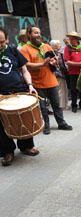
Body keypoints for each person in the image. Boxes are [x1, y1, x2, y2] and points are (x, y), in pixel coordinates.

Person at [20, 25, 72, 135]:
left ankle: (61, 123)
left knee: (56, 105)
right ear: (29, 34)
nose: (38, 35)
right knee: (42, 108)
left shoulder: (46, 46)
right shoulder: (25, 49)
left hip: (51, 81)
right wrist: (43, 64)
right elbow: (26, 65)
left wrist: (54, 61)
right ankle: (46, 126)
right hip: (37, 84)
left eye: (39, 32)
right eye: (35, 33)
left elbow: (55, 58)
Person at [0, 27, 39, 166]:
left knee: (25, 118)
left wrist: (30, 85)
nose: (1, 45)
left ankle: (26, 146)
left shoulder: (11, 50)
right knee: (2, 125)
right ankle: (7, 151)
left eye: (3, 41)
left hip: (19, 90)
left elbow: (24, 69)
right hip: (1, 95)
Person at [64, 31, 81, 113]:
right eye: (70, 38)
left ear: (77, 39)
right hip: (72, 73)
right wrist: (79, 64)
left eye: (72, 38)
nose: (70, 40)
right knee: (73, 90)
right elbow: (67, 61)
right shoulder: (68, 48)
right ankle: (74, 105)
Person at [50, 40, 69, 109]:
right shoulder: (57, 54)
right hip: (59, 74)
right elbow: (61, 64)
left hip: (55, 74)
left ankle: (63, 104)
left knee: (59, 89)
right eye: (59, 45)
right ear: (55, 46)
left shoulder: (50, 53)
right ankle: (62, 105)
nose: (60, 46)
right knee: (62, 89)